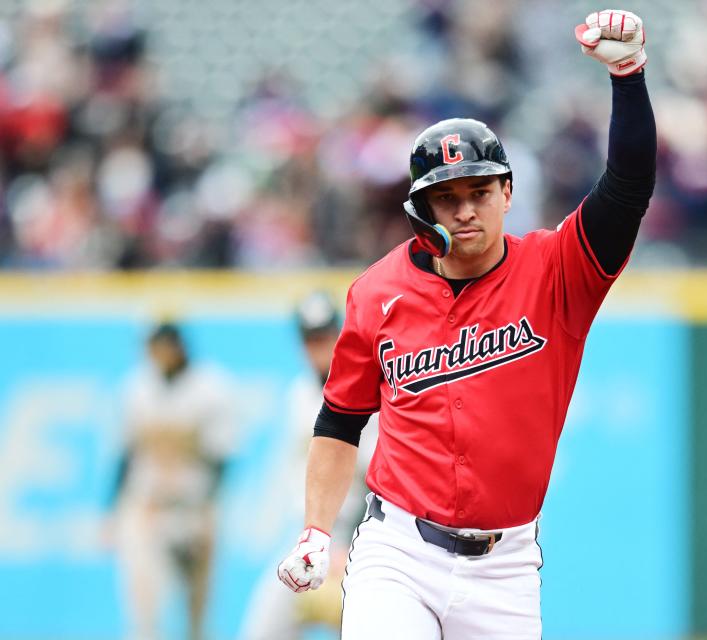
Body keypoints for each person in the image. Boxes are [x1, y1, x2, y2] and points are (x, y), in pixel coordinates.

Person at [277, 9, 656, 638]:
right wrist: (317, 527)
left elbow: (629, 186)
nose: (466, 209)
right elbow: (339, 420)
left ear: (507, 192)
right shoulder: (377, 293)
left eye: (479, 191)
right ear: (420, 210)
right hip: (396, 551)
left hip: (506, 568)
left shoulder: (559, 271)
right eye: (447, 198)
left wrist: (628, 75)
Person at [240, 292, 378, 639]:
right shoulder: (299, 393)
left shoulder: (369, 394)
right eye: (311, 338)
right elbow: (289, 474)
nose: (319, 345)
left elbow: (376, 482)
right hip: (305, 539)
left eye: (324, 335)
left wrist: (351, 544)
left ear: (339, 334)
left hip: (353, 539)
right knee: (261, 629)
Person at [111, 322, 235, 640]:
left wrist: (207, 508)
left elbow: (223, 458)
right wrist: (111, 508)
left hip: (194, 507)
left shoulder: (210, 387)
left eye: (164, 345)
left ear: (178, 346)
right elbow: (124, 454)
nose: (159, 354)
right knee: (144, 607)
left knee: (197, 613)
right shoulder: (136, 387)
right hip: (148, 508)